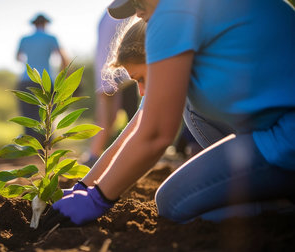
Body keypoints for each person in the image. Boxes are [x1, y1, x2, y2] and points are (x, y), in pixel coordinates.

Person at [43, 0, 295, 228]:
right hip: (279, 131)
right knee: (189, 104)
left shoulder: (174, 10)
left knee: (172, 204)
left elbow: (155, 135)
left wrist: (98, 199)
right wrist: (84, 187)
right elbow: (136, 127)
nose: (138, 12)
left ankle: (277, 213)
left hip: (287, 139)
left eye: (138, 2)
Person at [83, 10, 139, 167]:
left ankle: (94, 156)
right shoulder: (123, 13)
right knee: (128, 118)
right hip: (118, 74)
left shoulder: (107, 15)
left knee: (109, 119)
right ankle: (98, 158)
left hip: (107, 74)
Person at [16, 13, 69, 143]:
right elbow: (64, 59)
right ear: (46, 24)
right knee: (46, 114)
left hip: (26, 79)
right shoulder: (51, 38)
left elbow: (17, 57)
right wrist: (63, 76)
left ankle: (31, 145)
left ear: (34, 24)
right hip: (46, 80)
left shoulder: (24, 39)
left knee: (28, 114)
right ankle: (46, 145)